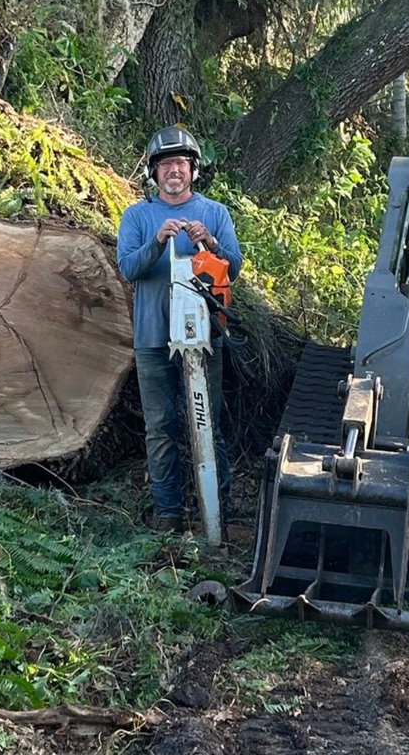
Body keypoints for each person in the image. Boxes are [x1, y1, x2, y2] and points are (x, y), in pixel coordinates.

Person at [115, 126, 243, 533]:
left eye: (181, 164)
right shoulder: (137, 216)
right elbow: (128, 268)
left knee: (208, 424)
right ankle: (167, 513)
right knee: (161, 426)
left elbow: (234, 268)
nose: (174, 171)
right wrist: (156, 241)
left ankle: (217, 509)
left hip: (205, 336)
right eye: (166, 164)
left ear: (193, 170)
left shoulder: (214, 213)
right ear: (154, 172)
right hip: (153, 336)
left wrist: (210, 245)